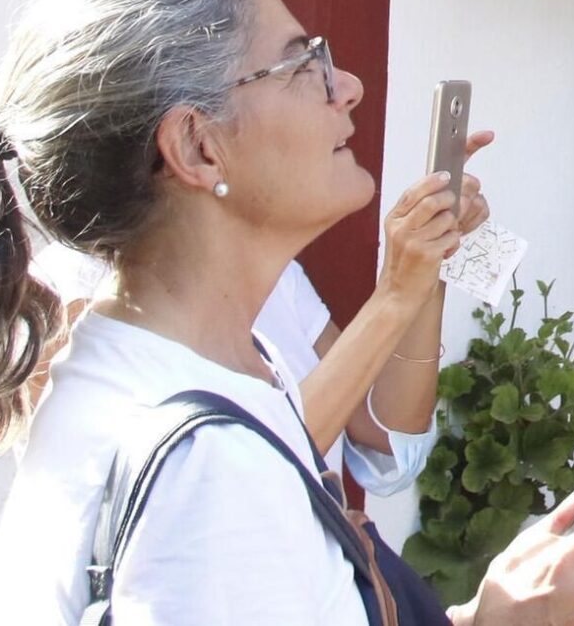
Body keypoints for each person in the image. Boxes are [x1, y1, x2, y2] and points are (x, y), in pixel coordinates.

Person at [0, 0, 574, 626]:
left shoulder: (184, 369)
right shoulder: (210, 475)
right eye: (301, 62)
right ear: (196, 146)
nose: (345, 84)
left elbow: (367, 468)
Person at [34, 150, 495, 496]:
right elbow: (236, 485)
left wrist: (427, 268)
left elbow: (387, 436)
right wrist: (395, 290)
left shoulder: (276, 275)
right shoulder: (70, 292)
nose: (346, 91)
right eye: (296, 70)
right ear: (193, 144)